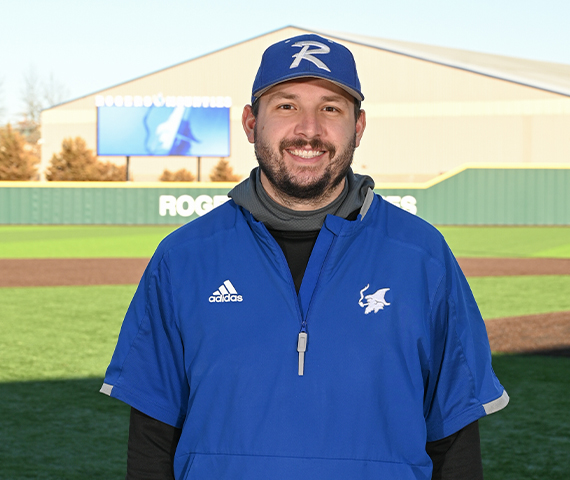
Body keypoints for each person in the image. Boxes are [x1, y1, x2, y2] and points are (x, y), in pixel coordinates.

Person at [101, 33, 509, 480]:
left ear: (359, 126)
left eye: (331, 108)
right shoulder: (183, 258)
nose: (309, 129)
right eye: (286, 106)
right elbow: (152, 440)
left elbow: (455, 440)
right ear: (251, 123)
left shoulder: (422, 256)